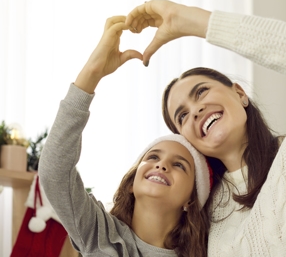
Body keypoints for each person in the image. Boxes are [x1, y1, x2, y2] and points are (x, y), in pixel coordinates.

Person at [125, 0, 286, 256]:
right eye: (182, 116)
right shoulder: (204, 213)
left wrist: (190, 21)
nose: (195, 111)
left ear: (240, 94)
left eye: (201, 92)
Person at [38, 16, 211, 257]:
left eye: (179, 165)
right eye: (152, 157)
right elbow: (54, 172)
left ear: (190, 200)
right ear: (131, 184)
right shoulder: (99, 231)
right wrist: (93, 72)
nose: (161, 165)